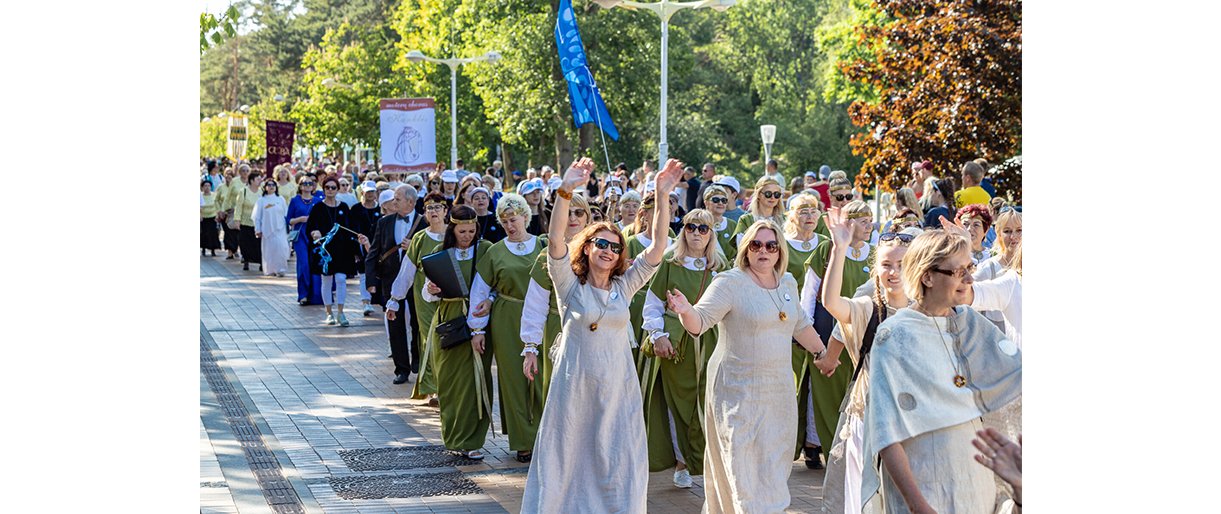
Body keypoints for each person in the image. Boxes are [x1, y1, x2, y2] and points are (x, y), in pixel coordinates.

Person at [520, 157, 681, 513]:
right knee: (567, 455)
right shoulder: (569, 285)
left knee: (616, 456)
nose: (609, 251)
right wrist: (566, 189)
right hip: (574, 388)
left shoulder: (625, 287)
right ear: (587, 247)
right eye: (602, 244)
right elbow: (555, 239)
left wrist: (661, 194)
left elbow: (658, 246)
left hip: (617, 387)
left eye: (615, 247)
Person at [666, 219, 829, 513]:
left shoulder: (788, 282)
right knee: (739, 459)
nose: (763, 251)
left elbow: (800, 324)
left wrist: (822, 353)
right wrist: (685, 311)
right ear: (746, 248)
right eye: (756, 244)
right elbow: (700, 322)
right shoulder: (729, 282)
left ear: (780, 250)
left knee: (773, 461)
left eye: (771, 245)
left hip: (778, 391)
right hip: (736, 390)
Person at [860, 230, 1022, 513]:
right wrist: (917, 505)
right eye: (959, 271)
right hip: (925, 478)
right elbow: (885, 433)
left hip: (975, 476)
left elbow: (1018, 380)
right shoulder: (894, 335)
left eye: (970, 268)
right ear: (927, 277)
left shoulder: (971, 322)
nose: (969, 279)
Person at [816, 208, 920, 514]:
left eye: (902, 265)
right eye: (886, 264)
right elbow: (831, 303)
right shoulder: (867, 309)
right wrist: (840, 249)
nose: (893, 272)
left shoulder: (926, 312)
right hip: (867, 420)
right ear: (876, 269)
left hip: (913, 423)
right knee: (864, 501)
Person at [641, 207, 730, 489]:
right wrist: (658, 335)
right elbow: (652, 304)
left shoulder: (720, 267)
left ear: (711, 234)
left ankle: (705, 462)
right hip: (677, 343)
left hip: (710, 343)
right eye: (691, 227)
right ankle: (682, 462)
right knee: (678, 403)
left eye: (703, 228)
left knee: (707, 402)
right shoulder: (670, 262)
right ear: (683, 231)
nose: (696, 233)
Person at [466, 194, 545, 463]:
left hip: (542, 317)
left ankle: (545, 437)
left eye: (513, 219)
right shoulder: (495, 252)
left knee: (543, 377)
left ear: (525, 217)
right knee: (514, 378)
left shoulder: (543, 245)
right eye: (504, 221)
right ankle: (523, 441)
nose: (509, 225)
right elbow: (480, 291)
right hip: (508, 317)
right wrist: (477, 329)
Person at [411, 205, 493, 459]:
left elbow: (497, 285)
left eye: (471, 231)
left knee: (475, 380)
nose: (467, 236)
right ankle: (454, 438)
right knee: (448, 381)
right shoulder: (440, 252)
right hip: (448, 320)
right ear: (452, 230)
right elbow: (427, 292)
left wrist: (490, 300)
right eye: (462, 231)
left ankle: (473, 441)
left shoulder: (486, 250)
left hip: (478, 322)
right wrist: (432, 290)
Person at [799, 200, 875, 466]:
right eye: (863, 221)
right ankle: (821, 447)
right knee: (825, 393)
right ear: (849, 223)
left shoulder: (875, 252)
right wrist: (807, 331)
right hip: (828, 332)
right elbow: (810, 292)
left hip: (863, 336)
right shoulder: (826, 249)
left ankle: (852, 454)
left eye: (870, 221)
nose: (869, 226)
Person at [518, 191, 593, 402]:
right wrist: (531, 346)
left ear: (587, 217)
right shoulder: (547, 256)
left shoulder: (600, 253)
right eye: (567, 212)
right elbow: (535, 303)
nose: (572, 218)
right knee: (560, 393)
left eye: (578, 213)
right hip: (557, 327)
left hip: (594, 330)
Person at [781, 193, 830, 469]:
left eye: (813, 210)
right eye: (802, 211)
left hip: (817, 321)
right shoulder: (783, 245)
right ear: (791, 215)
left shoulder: (825, 244)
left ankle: (813, 442)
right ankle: (788, 443)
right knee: (793, 384)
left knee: (815, 385)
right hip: (788, 320)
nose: (809, 216)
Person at [367, 186, 425, 384]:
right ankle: (401, 369)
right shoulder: (384, 222)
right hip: (390, 280)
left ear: (411, 202)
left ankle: (417, 358)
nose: (393, 202)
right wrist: (371, 280)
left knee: (418, 322)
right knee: (395, 324)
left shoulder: (424, 222)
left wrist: (415, 247)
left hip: (417, 281)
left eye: (398, 199)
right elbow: (374, 251)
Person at [399, 193, 450, 404]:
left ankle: (449, 385)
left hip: (451, 298)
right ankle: (433, 388)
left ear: (446, 211)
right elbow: (407, 271)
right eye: (429, 208)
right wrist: (395, 298)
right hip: (424, 299)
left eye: (438, 207)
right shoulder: (419, 238)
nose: (434, 211)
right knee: (430, 338)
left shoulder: (454, 235)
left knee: (449, 339)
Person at [307, 176, 369, 327]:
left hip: (343, 249)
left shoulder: (344, 207)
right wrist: (315, 233)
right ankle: (329, 312)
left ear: (337, 189)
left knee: (341, 279)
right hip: (325, 251)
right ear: (323, 189)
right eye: (327, 187)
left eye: (333, 187)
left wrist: (356, 247)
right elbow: (311, 226)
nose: (330, 190)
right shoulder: (317, 207)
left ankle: (341, 312)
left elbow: (350, 228)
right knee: (326, 279)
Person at [287, 175, 324, 305]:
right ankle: (303, 294)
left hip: (314, 236)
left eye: (310, 183)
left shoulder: (318, 201)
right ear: (300, 186)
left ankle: (315, 295)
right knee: (303, 264)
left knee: (315, 264)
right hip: (300, 236)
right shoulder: (295, 201)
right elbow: (289, 220)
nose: (308, 186)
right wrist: (300, 219)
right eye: (305, 183)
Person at [350, 182, 384, 316]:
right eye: (367, 191)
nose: (370, 194)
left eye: (372, 191)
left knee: (378, 272)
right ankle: (366, 302)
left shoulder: (380, 209)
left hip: (378, 246)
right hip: (360, 246)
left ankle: (378, 298)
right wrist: (354, 250)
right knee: (363, 274)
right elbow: (351, 229)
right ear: (362, 192)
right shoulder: (356, 209)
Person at [252, 179, 290, 277]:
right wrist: (258, 229)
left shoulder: (280, 199)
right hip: (267, 230)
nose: (271, 186)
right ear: (265, 187)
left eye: (273, 185)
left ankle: (281, 269)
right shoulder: (261, 200)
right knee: (269, 250)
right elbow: (257, 217)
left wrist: (289, 226)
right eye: (269, 185)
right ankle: (270, 270)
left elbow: (286, 214)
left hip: (280, 229)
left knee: (281, 248)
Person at [731, 176, 786, 244]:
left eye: (776, 194)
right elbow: (741, 247)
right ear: (759, 194)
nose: (772, 197)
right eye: (768, 193)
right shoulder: (746, 220)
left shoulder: (785, 220)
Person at [233, 167, 264, 272]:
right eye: (258, 179)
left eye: (260, 179)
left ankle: (260, 262)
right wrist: (237, 220)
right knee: (245, 243)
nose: (260, 181)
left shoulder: (262, 192)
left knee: (258, 243)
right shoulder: (244, 191)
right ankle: (246, 260)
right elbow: (238, 207)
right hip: (245, 222)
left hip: (258, 222)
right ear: (251, 180)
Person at [702, 185, 737, 261]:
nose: (720, 203)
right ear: (706, 203)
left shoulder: (732, 224)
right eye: (716, 200)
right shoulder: (699, 224)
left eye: (724, 200)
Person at [200, 180, 221, 256]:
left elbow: (217, 205)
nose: (207, 187)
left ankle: (213, 250)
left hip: (212, 217)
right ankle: (203, 249)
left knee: (213, 234)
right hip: (203, 218)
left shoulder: (214, 195)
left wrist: (217, 215)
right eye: (205, 186)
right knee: (203, 234)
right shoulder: (200, 196)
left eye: (208, 186)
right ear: (202, 187)